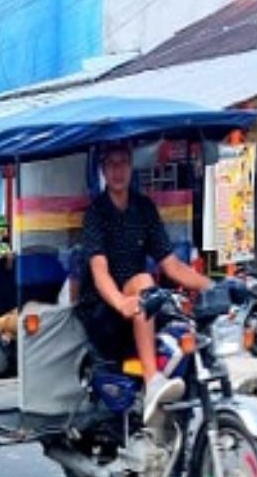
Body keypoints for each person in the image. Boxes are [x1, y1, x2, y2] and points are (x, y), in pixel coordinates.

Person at [75, 142, 217, 423]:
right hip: (105, 313)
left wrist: (213, 287)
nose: (118, 170)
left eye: (123, 163)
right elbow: (99, 270)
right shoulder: (96, 214)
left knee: (182, 326)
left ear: (131, 166)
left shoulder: (144, 208)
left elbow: (172, 265)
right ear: (103, 169)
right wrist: (121, 302)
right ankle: (153, 381)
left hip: (141, 307)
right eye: (111, 164)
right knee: (143, 280)